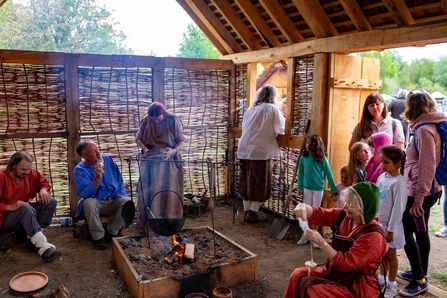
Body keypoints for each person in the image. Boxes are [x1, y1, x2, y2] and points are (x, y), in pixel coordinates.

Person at [284, 182, 387, 298]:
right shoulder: (345, 217)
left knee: (313, 290)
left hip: (355, 285)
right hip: (335, 273)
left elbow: (345, 263)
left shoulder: (373, 237)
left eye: (351, 205)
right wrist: (304, 207)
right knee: (297, 275)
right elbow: (320, 213)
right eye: (346, 202)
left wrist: (321, 243)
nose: (345, 207)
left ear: (365, 209)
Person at [397, 90, 447, 296]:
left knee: (407, 232)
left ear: (412, 108)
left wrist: (418, 198)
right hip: (427, 190)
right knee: (421, 231)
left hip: (420, 192)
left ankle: (419, 279)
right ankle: (420, 273)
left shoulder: (424, 131)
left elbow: (427, 165)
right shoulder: (429, 125)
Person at [0, 151, 62, 262]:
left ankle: (31, 240)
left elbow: (43, 182)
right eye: (23, 169)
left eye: (29, 169)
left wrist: (43, 190)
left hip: (23, 212)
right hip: (4, 218)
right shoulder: (1, 177)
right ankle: (44, 248)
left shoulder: (31, 173)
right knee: (25, 208)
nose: (27, 172)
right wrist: (9, 207)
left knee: (50, 202)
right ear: (14, 165)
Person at [73, 140, 134, 250]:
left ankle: (112, 232)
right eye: (93, 151)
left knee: (128, 202)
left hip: (113, 200)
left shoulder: (108, 160)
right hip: (97, 203)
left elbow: (119, 179)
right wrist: (97, 179)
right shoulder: (80, 170)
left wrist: (120, 194)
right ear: (84, 156)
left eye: (97, 148)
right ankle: (98, 237)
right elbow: (84, 193)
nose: (98, 152)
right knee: (89, 203)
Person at [135, 102, 186, 234]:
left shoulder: (173, 121)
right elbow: (139, 139)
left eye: (158, 119)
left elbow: (181, 140)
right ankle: (150, 226)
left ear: (163, 113)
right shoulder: (146, 121)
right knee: (150, 193)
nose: (156, 121)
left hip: (169, 162)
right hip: (150, 162)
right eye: (153, 119)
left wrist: (173, 151)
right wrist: (145, 149)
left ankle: (169, 224)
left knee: (169, 193)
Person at [237, 85, 285, 222]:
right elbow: (280, 128)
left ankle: (247, 210)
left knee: (245, 179)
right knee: (260, 181)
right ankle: (253, 212)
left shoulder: (250, 109)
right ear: (273, 96)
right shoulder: (272, 109)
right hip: (260, 150)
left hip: (244, 149)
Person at [376, 145, 407, 298]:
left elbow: (398, 208)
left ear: (398, 163)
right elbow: (377, 199)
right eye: (381, 162)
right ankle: (382, 280)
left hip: (391, 226)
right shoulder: (382, 177)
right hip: (380, 223)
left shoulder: (399, 182)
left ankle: (392, 284)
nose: (382, 165)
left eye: (386, 162)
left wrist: (391, 229)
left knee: (391, 255)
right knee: (382, 254)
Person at [296, 134, 338, 247]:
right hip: (306, 188)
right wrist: (299, 187)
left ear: (317, 145)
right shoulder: (303, 158)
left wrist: (334, 189)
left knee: (316, 213)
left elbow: (329, 175)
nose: (307, 145)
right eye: (307, 143)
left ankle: (314, 237)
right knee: (305, 212)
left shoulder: (322, 159)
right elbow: (300, 174)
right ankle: (305, 234)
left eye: (310, 143)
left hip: (318, 189)